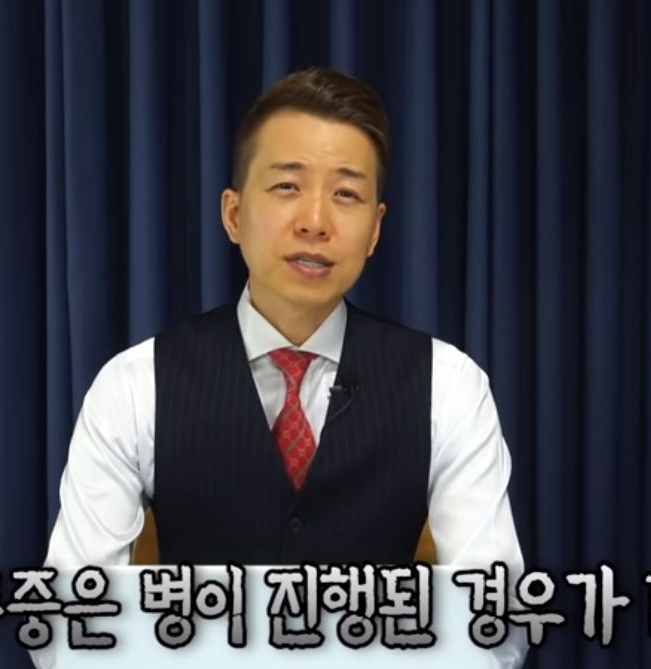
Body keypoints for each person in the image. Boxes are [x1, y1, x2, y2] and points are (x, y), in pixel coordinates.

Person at [39, 67, 527, 666]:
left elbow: (494, 622)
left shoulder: (448, 386)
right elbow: (71, 625)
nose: (315, 221)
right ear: (233, 214)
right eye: (287, 186)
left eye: (345, 194)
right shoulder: (135, 385)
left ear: (375, 229)